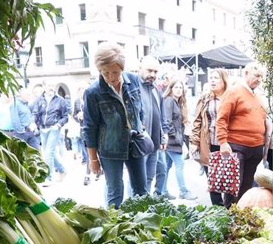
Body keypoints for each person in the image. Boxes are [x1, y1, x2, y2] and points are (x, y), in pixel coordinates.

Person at [82, 42, 147, 208]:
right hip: (109, 148)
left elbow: (140, 109)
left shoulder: (133, 80)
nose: (111, 77)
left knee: (142, 191)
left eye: (115, 72)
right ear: (99, 71)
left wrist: (142, 127)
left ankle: (142, 227)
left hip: (135, 142)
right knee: (115, 192)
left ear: (122, 68)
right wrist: (93, 159)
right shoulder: (92, 92)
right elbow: (89, 128)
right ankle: (115, 228)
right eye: (105, 73)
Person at [216, 62, 267, 208]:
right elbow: (221, 118)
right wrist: (223, 142)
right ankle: (229, 218)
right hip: (237, 146)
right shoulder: (234, 91)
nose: (259, 79)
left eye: (261, 77)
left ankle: (241, 218)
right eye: (256, 75)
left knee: (246, 188)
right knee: (233, 187)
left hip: (256, 147)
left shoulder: (257, 95)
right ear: (246, 74)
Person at [190, 68, 229, 206]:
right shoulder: (204, 98)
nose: (212, 80)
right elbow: (197, 121)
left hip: (227, 144)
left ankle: (230, 210)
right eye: (211, 77)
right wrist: (194, 141)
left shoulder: (230, 98)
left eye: (216, 78)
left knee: (228, 179)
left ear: (224, 81)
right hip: (209, 143)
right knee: (213, 180)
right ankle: (217, 210)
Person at [137, 55, 170, 198]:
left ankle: (143, 206)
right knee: (137, 180)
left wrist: (163, 136)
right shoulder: (133, 87)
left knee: (149, 177)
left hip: (154, 143)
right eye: (149, 70)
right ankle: (133, 210)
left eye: (156, 72)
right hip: (139, 143)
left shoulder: (156, 89)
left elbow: (160, 115)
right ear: (140, 69)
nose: (153, 75)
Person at [162, 79, 197, 200]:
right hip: (172, 140)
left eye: (180, 87)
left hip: (173, 140)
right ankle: (183, 191)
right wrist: (177, 138)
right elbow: (167, 121)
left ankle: (162, 191)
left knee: (166, 166)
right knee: (180, 164)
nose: (178, 90)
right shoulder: (169, 101)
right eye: (176, 87)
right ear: (170, 89)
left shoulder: (177, 102)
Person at [32, 84, 70, 183]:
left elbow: (65, 116)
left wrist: (58, 124)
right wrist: (33, 123)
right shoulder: (39, 100)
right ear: (44, 87)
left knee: (49, 153)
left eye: (52, 86)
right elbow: (35, 113)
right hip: (43, 129)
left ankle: (48, 178)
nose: (51, 88)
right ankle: (62, 170)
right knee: (49, 153)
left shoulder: (60, 100)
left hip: (54, 128)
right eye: (48, 86)